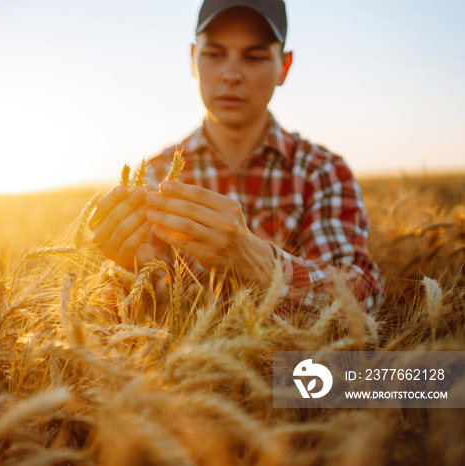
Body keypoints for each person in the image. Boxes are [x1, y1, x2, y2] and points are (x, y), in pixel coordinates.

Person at [89, 0, 383, 313]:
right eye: (214, 54)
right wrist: (126, 270)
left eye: (254, 57)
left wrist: (257, 262)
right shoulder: (152, 178)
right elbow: (123, 324)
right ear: (193, 59)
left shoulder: (322, 172)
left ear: (284, 67)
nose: (231, 74)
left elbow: (363, 298)